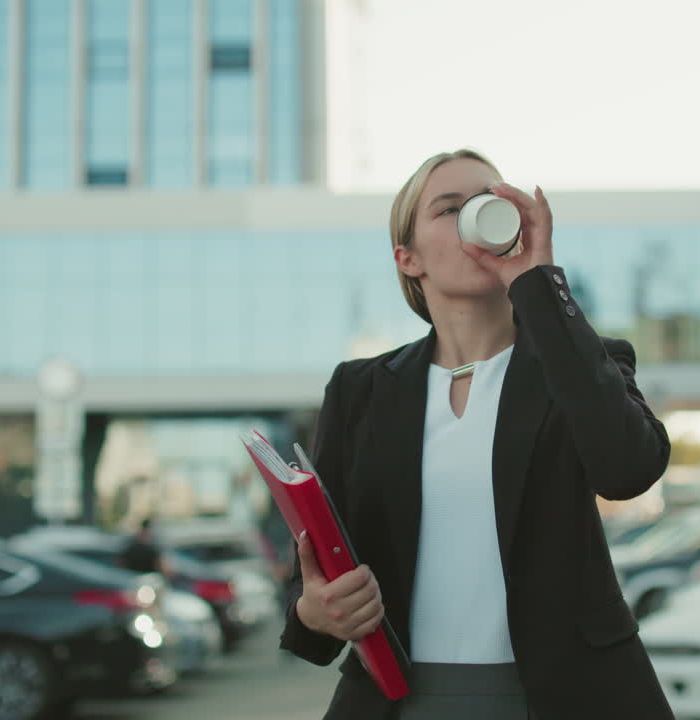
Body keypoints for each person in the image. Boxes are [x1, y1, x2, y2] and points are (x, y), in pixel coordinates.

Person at [280, 150, 674, 719]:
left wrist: (539, 283)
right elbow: (311, 575)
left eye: (486, 202)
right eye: (449, 209)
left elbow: (629, 470)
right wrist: (316, 612)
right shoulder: (360, 390)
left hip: (564, 699)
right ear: (408, 257)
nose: (475, 219)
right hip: (400, 698)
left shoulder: (580, 363)